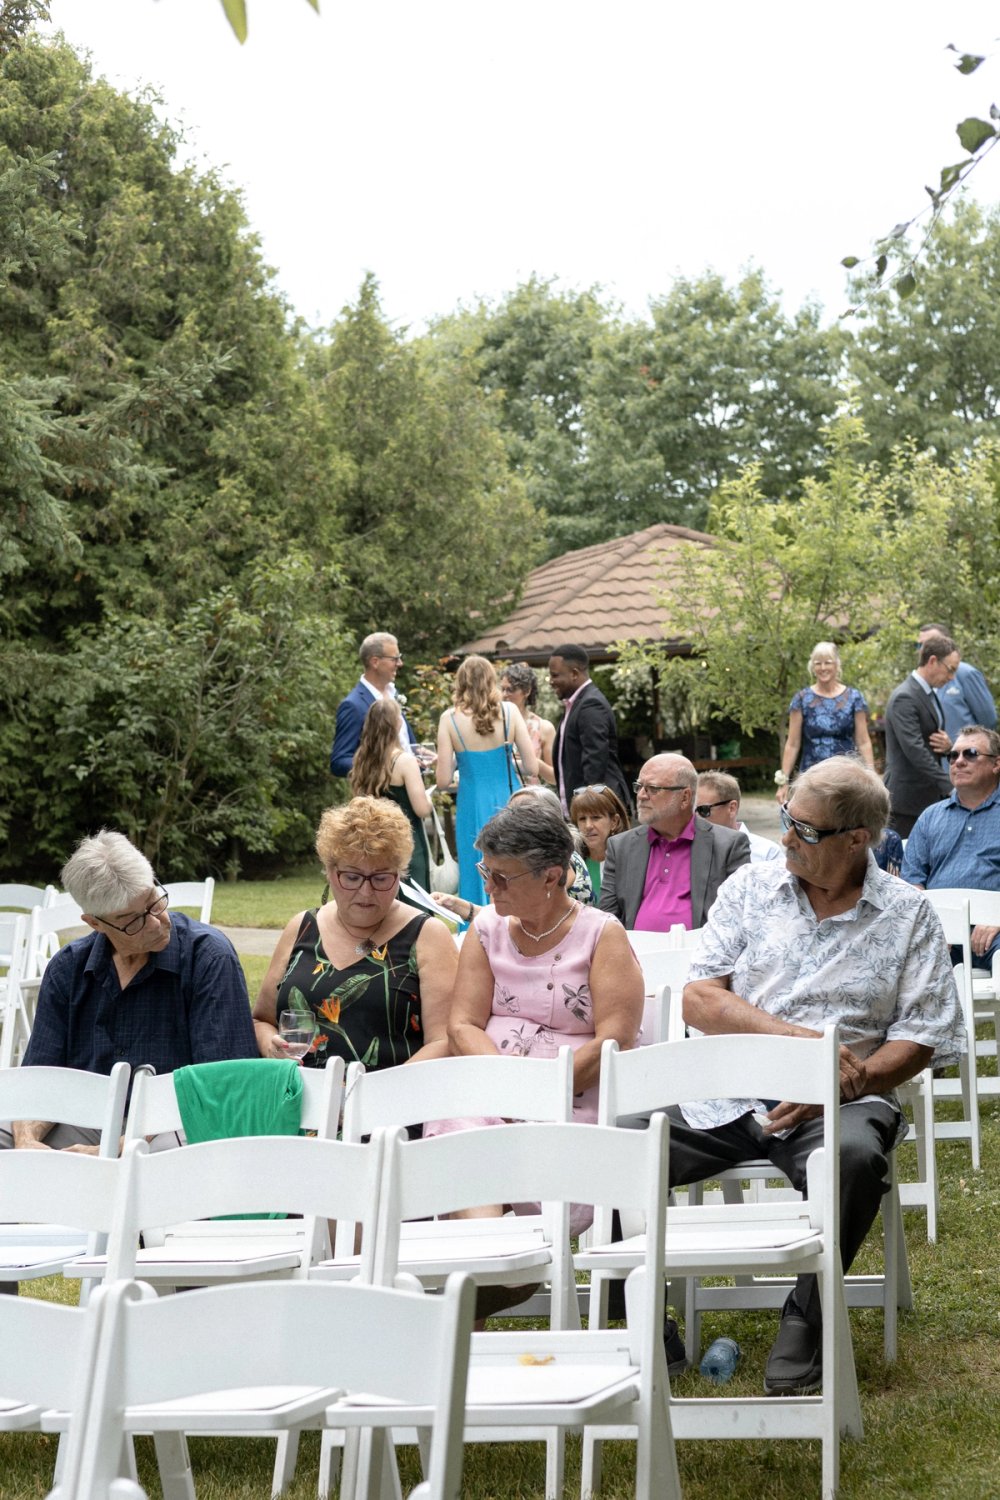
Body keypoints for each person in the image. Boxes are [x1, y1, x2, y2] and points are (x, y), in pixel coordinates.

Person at [618, 757, 964, 1394]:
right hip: (726, 1087)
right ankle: (639, 1319)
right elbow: (700, 998)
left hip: (844, 1095)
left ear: (856, 839)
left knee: (855, 1159)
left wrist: (842, 1081)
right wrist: (804, 1050)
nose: (785, 838)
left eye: (804, 829)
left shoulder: (909, 912)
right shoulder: (751, 888)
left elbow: (925, 1035)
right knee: (609, 1142)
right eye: (785, 819)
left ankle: (807, 1313)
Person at [2, 830, 257, 1155]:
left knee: (181, 1143)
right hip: (85, 1119)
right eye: (132, 920)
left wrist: (114, 1150)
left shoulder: (208, 958)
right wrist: (28, 1142)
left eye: (154, 902)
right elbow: (37, 1081)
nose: (155, 923)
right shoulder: (67, 969)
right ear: (95, 923)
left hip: (173, 1127)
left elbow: (221, 1089)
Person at [442, 800, 643, 1135]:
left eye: (502, 877)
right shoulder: (486, 929)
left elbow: (616, 1040)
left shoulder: (602, 936)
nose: (489, 887)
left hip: (575, 1100)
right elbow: (462, 1025)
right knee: (447, 1145)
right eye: (485, 872)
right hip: (488, 1092)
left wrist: (538, 1093)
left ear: (550, 877)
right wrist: (507, 1091)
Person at [253, 798, 456, 1070]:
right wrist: (270, 1046)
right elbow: (262, 1020)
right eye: (351, 877)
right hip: (301, 1098)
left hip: (392, 1102)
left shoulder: (426, 936)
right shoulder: (302, 927)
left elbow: (444, 1041)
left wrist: (372, 1092)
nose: (366, 892)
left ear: (400, 874)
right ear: (329, 871)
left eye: (381, 878)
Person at [598, 754, 750, 930]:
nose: (641, 795)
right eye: (639, 786)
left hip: (699, 954)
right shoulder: (620, 846)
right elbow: (608, 921)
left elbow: (738, 918)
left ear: (685, 797)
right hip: (637, 954)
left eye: (653, 788)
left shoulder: (729, 846)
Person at [436, 655, 537, 909]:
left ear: (460, 683)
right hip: (507, 799)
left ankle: (473, 926)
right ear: (491, 680)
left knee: (474, 867)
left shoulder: (449, 719)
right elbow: (532, 766)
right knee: (514, 863)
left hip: (471, 801)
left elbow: (443, 779)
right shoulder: (510, 711)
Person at [902, 724, 1000, 967]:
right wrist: (936, 926)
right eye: (953, 755)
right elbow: (912, 884)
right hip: (939, 934)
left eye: (971, 754)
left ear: (996, 764)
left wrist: (997, 917)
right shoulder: (930, 817)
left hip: (994, 931)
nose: (959, 761)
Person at [883, 632, 960, 838]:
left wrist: (949, 748)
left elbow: (929, 742)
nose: (952, 677)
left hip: (927, 798)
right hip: (907, 802)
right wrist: (948, 785)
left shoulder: (928, 693)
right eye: (950, 669)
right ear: (933, 661)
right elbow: (914, 748)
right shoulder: (905, 696)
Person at [350, 697, 433, 889]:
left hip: (375, 841)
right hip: (406, 842)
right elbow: (421, 809)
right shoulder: (405, 761)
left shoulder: (362, 761)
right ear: (396, 724)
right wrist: (428, 798)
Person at [775, 642, 874, 802]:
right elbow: (792, 744)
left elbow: (863, 741)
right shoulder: (801, 699)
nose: (823, 667)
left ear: (836, 665)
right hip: (812, 778)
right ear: (812, 667)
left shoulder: (855, 698)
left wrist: (871, 775)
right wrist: (783, 781)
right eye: (818, 663)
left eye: (827, 662)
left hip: (845, 776)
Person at [548, 645, 632, 817]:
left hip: (597, 810)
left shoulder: (591, 704)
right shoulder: (575, 704)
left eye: (555, 675)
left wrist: (587, 811)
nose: (550, 681)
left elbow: (595, 761)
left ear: (574, 673)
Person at [329, 631, 417, 777]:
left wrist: (419, 753)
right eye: (394, 659)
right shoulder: (353, 705)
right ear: (375, 662)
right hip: (379, 796)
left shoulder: (393, 694)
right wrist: (385, 767)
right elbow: (339, 762)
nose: (400, 664)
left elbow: (404, 742)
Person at [918, 623, 997, 742]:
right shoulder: (922, 680)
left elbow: (988, 721)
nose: (922, 650)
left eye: (928, 643)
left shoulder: (966, 674)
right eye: (919, 645)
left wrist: (963, 747)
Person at [696, 770, 782, 863]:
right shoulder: (687, 851)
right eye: (690, 812)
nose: (695, 817)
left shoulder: (767, 853)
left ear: (732, 808)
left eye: (703, 810)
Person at [569, 782, 632, 898]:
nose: (588, 826)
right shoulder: (571, 865)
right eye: (582, 819)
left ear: (614, 822)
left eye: (595, 817)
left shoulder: (632, 862)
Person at [500, 662, 556, 784]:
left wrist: (535, 763)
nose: (504, 695)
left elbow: (555, 778)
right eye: (502, 689)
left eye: (510, 689)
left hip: (529, 799)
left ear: (527, 691)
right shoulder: (493, 724)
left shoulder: (543, 727)